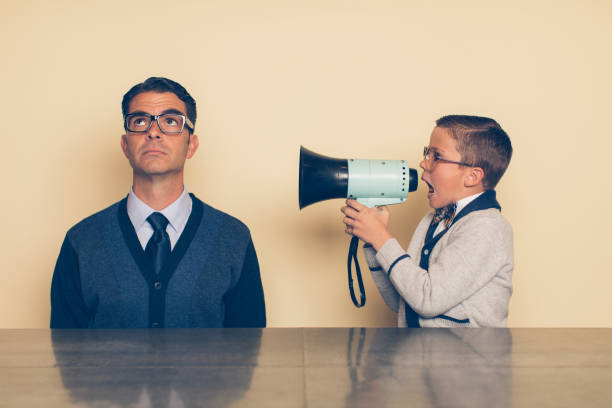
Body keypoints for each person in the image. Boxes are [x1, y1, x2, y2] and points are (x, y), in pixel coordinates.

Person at [51, 77, 266, 328]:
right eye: (140, 121)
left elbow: (249, 353)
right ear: (125, 146)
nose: (153, 132)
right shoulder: (81, 241)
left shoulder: (233, 238)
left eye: (171, 121)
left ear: (191, 145)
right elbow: (66, 357)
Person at [341, 115, 513, 327]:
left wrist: (381, 238)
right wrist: (372, 243)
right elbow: (403, 302)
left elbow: (428, 299)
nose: (423, 163)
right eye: (426, 153)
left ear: (472, 176)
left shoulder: (488, 227)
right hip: (423, 356)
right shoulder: (433, 220)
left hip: (465, 358)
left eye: (436, 156)